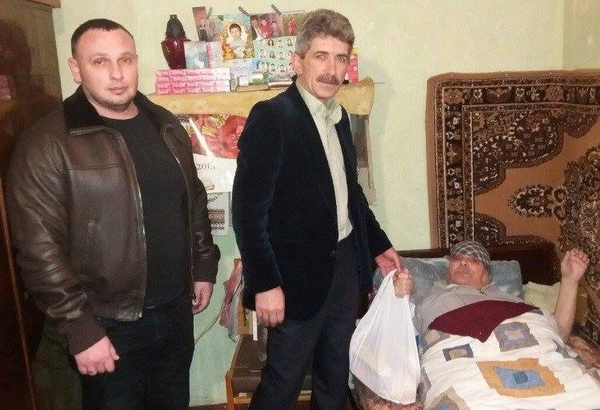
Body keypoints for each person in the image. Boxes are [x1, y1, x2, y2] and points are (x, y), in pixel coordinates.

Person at [6, 18, 220, 410]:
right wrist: (80, 328)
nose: (118, 74)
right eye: (100, 62)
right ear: (76, 69)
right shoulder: (46, 144)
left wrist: (203, 265)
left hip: (174, 313)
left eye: (126, 59)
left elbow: (192, 199)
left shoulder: (165, 124)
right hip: (105, 323)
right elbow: (39, 251)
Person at [232, 9, 412, 410]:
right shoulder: (272, 118)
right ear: (298, 61)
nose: (332, 70)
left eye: (340, 58)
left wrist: (379, 245)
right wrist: (264, 283)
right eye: (321, 56)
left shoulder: (340, 117)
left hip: (344, 268)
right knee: (283, 381)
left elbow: (351, 194)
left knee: (334, 377)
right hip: (294, 278)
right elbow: (247, 214)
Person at [414, 240, 588, 341]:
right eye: (457, 259)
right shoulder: (428, 299)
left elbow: (558, 334)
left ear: (487, 276)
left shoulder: (513, 303)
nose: (463, 263)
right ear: (448, 271)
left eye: (474, 260)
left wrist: (570, 280)